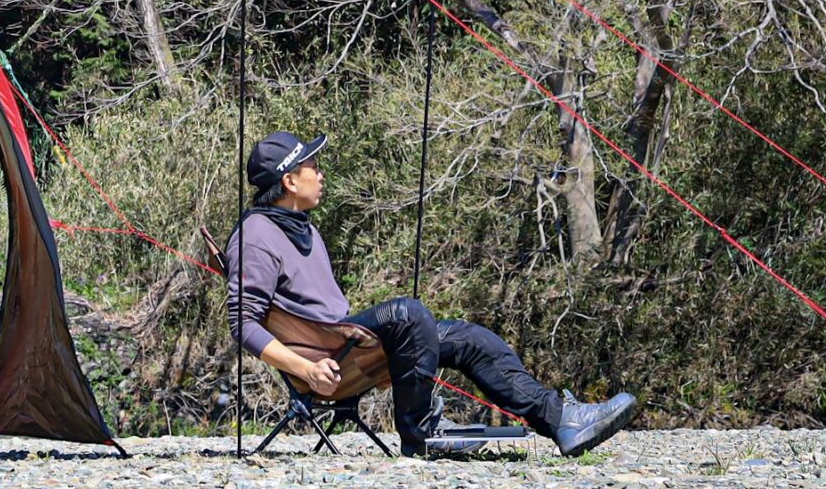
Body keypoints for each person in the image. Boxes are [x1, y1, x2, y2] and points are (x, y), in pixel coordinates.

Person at [225, 130, 638, 458]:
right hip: (329, 363)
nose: (321, 173)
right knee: (407, 314)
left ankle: (562, 418)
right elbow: (242, 322)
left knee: (469, 339)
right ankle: (420, 434)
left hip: (351, 347)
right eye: (313, 165)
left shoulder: (304, 227)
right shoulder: (256, 236)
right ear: (289, 179)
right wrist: (304, 369)